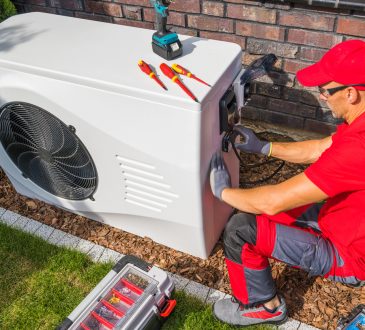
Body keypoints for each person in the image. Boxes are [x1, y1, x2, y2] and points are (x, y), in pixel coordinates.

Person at [209, 39, 365, 326]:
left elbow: (272, 201)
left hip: (349, 254)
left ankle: (262, 307)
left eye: (326, 91)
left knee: (239, 229)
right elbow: (319, 148)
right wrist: (263, 147)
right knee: (255, 212)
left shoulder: (360, 147)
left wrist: (221, 192)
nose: (322, 97)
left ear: (352, 93)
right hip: (340, 221)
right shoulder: (359, 124)